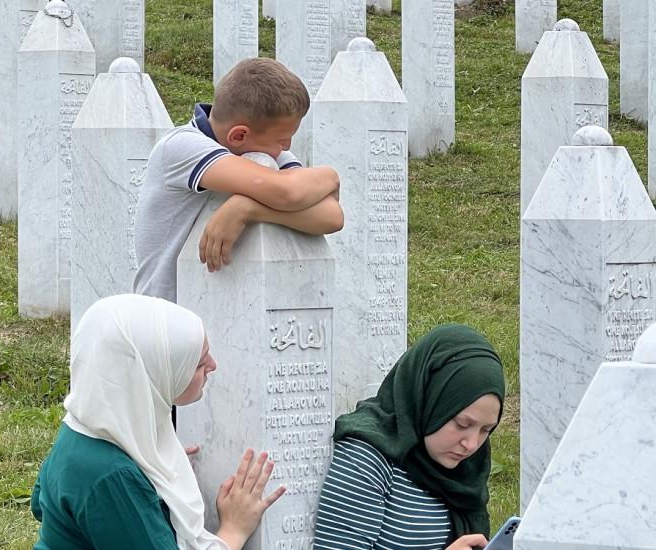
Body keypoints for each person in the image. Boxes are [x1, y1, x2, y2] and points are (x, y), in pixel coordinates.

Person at [31, 294, 284, 549]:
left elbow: (40, 501)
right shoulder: (113, 476)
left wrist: (150, 465)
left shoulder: (81, 426)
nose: (213, 365)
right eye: (198, 363)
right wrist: (233, 530)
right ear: (150, 374)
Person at [133, 57, 343, 301]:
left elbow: (332, 216)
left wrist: (247, 209)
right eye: (282, 139)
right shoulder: (182, 147)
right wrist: (331, 176)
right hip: (165, 315)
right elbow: (287, 193)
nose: (287, 147)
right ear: (239, 135)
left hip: (224, 306)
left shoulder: (268, 153)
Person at [312, 324, 506, 550]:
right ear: (430, 401)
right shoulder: (367, 459)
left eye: (486, 430)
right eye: (462, 424)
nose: (471, 444)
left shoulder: (465, 469)